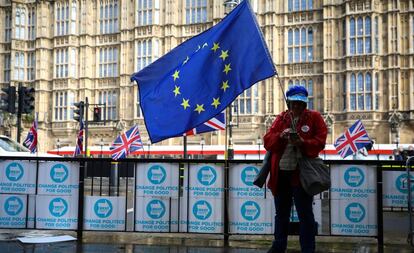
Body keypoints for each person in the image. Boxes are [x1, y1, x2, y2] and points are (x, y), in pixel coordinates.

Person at [263, 85, 327, 253]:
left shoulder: (314, 117)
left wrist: (303, 143)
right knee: (281, 214)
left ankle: (307, 249)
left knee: (305, 215)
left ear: (305, 104)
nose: (297, 106)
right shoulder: (281, 118)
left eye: (300, 103)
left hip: (301, 176)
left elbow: (320, 141)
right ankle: (278, 246)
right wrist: (280, 135)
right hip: (281, 175)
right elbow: (267, 142)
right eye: (294, 103)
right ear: (289, 103)